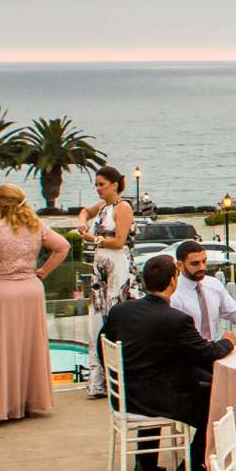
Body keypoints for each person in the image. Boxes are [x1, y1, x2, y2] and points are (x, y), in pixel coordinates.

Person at [101, 253, 232, 471]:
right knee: (215, 399)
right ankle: (192, 467)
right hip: (156, 398)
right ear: (174, 281)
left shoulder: (120, 311)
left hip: (124, 394)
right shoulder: (176, 320)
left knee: (173, 381)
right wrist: (228, 341)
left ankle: (146, 462)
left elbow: (102, 347)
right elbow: (207, 353)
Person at [0, 184, 67, 425]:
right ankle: (28, 401)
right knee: (26, 346)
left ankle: (0, 405)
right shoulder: (35, 225)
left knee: (1, 347)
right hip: (30, 289)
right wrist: (43, 271)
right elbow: (62, 247)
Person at [76, 166, 135, 398]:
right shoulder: (103, 207)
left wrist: (94, 238)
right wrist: (82, 222)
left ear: (113, 184)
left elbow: (120, 241)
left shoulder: (123, 207)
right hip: (100, 269)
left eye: (101, 184)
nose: (98, 189)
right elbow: (84, 211)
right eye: (97, 185)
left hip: (117, 267)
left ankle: (119, 378)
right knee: (97, 321)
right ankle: (97, 380)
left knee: (115, 318)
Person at [171, 239, 236, 342]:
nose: (202, 267)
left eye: (204, 261)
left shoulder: (213, 284)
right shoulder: (173, 292)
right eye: (195, 263)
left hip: (216, 350)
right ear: (179, 265)